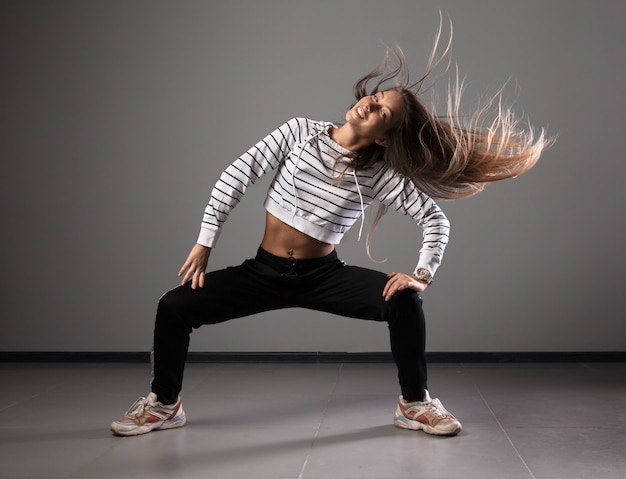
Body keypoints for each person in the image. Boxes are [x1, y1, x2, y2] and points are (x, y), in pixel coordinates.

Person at [110, 25, 551, 437]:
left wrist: (423, 273)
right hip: (262, 274)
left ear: (383, 137)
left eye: (382, 111)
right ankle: (165, 404)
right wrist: (206, 241)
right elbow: (236, 176)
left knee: (405, 301)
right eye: (377, 97)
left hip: (324, 277)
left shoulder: (379, 175)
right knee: (173, 306)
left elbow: (435, 219)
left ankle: (414, 403)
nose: (371, 103)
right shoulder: (299, 132)